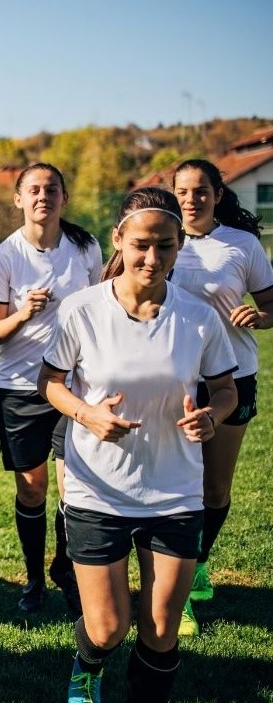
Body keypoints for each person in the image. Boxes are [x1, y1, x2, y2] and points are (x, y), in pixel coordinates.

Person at [39, 187, 237, 703]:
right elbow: (51, 383)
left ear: (179, 248)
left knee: (162, 627)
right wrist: (88, 414)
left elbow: (225, 390)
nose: (154, 258)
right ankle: (88, 665)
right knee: (107, 628)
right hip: (98, 490)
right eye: (143, 245)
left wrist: (211, 419)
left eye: (167, 247)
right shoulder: (81, 310)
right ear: (120, 242)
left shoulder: (198, 317)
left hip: (174, 491)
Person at [0, 163, 101, 614]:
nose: (42, 196)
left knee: (74, 489)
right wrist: (24, 312)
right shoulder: (5, 256)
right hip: (21, 387)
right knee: (32, 490)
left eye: (52, 188)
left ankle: (65, 569)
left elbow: (102, 307)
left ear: (64, 198)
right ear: (18, 199)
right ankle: (34, 578)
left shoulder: (85, 248)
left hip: (74, 385)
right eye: (33, 189)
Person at [169, 159, 273, 637]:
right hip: (175, 380)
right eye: (184, 191)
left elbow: (271, 305)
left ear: (217, 192)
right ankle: (182, 589)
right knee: (177, 490)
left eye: (201, 190)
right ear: (174, 195)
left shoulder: (242, 244)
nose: (192, 199)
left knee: (214, 490)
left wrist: (260, 317)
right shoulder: (162, 238)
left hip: (233, 379)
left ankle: (200, 560)